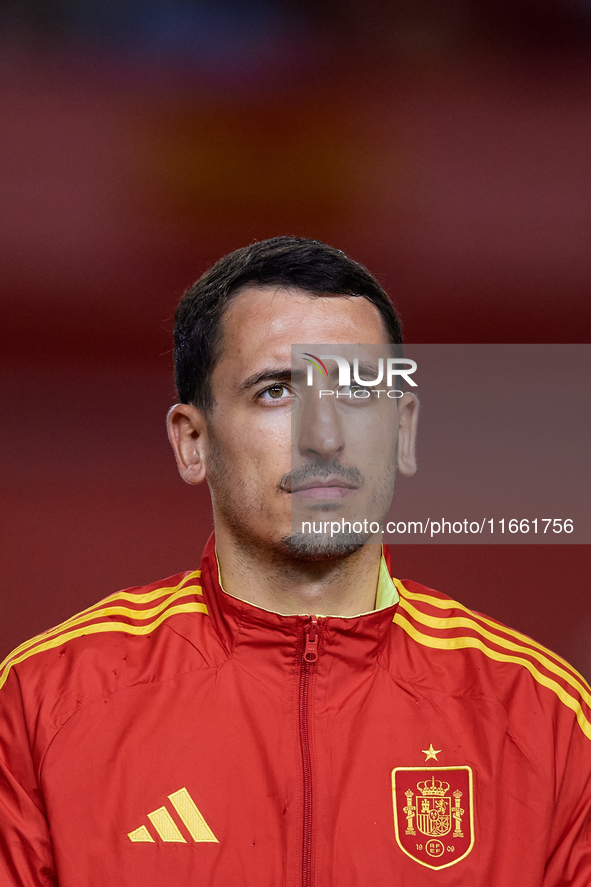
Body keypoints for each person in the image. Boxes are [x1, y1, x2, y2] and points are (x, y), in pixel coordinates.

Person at [0, 236, 590, 886]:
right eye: (277, 391)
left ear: (403, 433)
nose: (326, 435)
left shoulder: (545, 719)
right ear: (191, 442)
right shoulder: (43, 705)